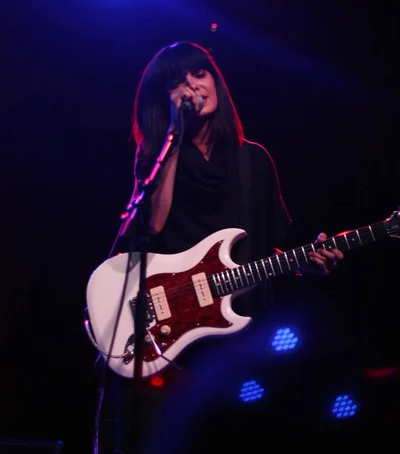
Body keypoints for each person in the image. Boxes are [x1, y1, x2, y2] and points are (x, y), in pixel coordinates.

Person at [108, 40, 344, 454]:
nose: (194, 87)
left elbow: (262, 256)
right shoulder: (157, 155)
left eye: (200, 74)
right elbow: (153, 224)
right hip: (174, 330)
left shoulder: (253, 161)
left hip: (240, 334)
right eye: (178, 83)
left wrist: (306, 262)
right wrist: (174, 138)